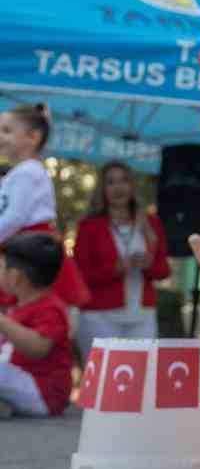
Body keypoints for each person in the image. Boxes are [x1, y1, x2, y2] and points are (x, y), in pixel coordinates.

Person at [72, 162, 172, 356]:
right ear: (102, 189)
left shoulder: (151, 223)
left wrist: (149, 265)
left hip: (142, 316)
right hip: (99, 316)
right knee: (103, 381)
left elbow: (164, 270)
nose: (118, 187)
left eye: (124, 180)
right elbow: (79, 275)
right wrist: (115, 268)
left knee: (143, 377)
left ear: (132, 186)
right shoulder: (89, 226)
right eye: (111, 182)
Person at [0, 104, 90, 311]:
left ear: (33, 137)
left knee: (35, 307)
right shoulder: (20, 173)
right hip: (20, 242)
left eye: (7, 131)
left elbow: (15, 216)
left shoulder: (28, 172)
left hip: (31, 248)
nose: (1, 136)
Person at [0, 232, 72, 418]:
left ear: (16, 277)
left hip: (45, 394)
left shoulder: (50, 309)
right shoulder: (17, 306)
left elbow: (38, 348)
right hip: (23, 385)